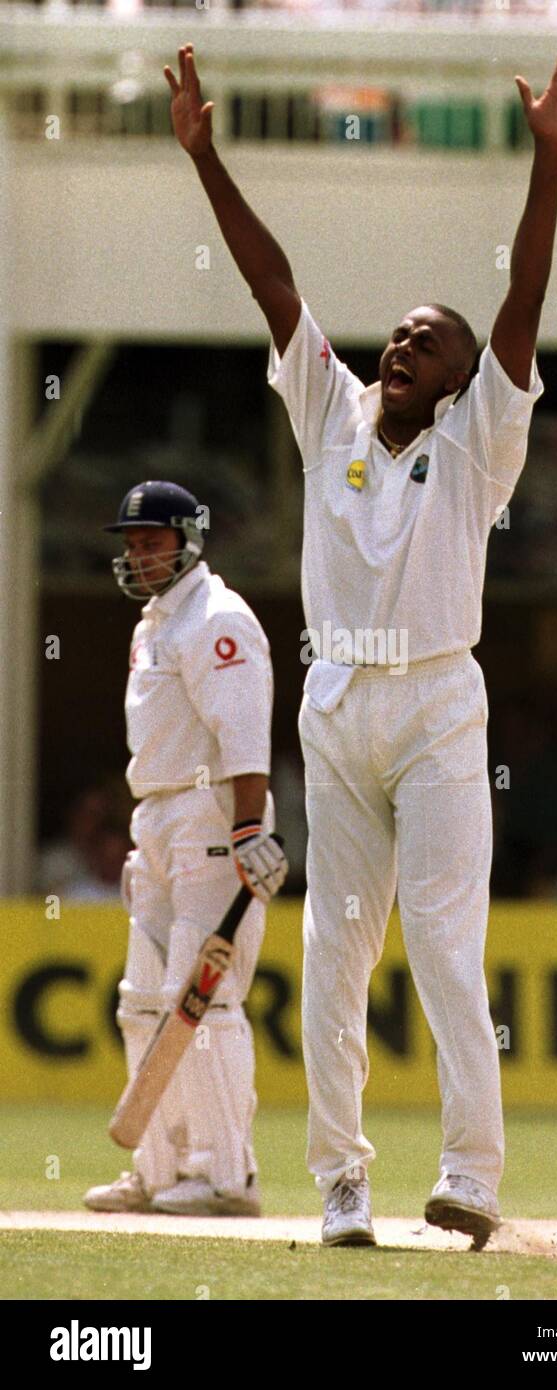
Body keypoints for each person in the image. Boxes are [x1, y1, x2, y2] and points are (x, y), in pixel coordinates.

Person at [165, 40, 557, 1248]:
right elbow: (272, 285)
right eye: (399, 335)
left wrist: (548, 159)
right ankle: (341, 1183)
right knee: (330, 955)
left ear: (468, 384)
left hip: (434, 708)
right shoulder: (331, 414)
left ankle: (469, 1176)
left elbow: (522, 303)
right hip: (336, 701)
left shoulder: (476, 446)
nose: (403, 346)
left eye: (429, 343)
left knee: (443, 951)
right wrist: (206, 158)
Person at [84, 480, 287, 1216]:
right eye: (131, 544)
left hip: (210, 818)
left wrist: (245, 828)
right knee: (142, 1005)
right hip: (157, 818)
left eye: (151, 541)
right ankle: (162, 1172)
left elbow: (243, 730)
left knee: (202, 1000)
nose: (137, 555)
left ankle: (228, 1178)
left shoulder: (217, 617)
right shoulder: (152, 624)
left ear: (189, 541)